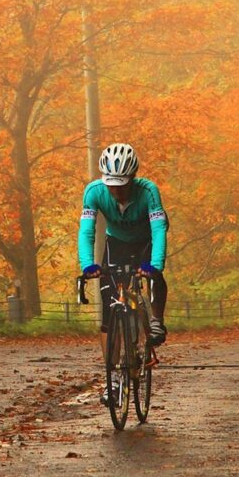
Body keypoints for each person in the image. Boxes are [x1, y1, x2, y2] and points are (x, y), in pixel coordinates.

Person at [77, 142, 169, 405]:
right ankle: (113, 379)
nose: (116, 190)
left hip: (146, 240)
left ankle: (155, 321)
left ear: (132, 178)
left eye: (122, 184)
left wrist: (155, 265)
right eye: (111, 184)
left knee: (153, 276)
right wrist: (87, 265)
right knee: (110, 310)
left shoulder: (148, 191)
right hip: (116, 243)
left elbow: (159, 231)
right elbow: (86, 231)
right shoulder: (93, 192)